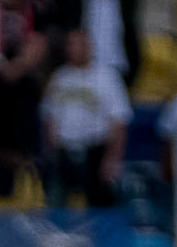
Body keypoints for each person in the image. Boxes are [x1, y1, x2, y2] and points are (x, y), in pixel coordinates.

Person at [0, 0, 69, 198]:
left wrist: (15, 68)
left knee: (21, 92)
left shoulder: (39, 13)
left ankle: (25, 166)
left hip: (23, 90)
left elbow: (40, 50)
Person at [41, 27, 131, 207]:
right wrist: (51, 150)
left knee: (99, 208)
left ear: (89, 46)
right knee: (57, 206)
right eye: (71, 44)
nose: (74, 48)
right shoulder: (60, 77)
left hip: (95, 151)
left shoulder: (107, 77)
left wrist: (112, 158)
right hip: (64, 152)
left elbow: (120, 120)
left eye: (79, 44)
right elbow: (48, 115)